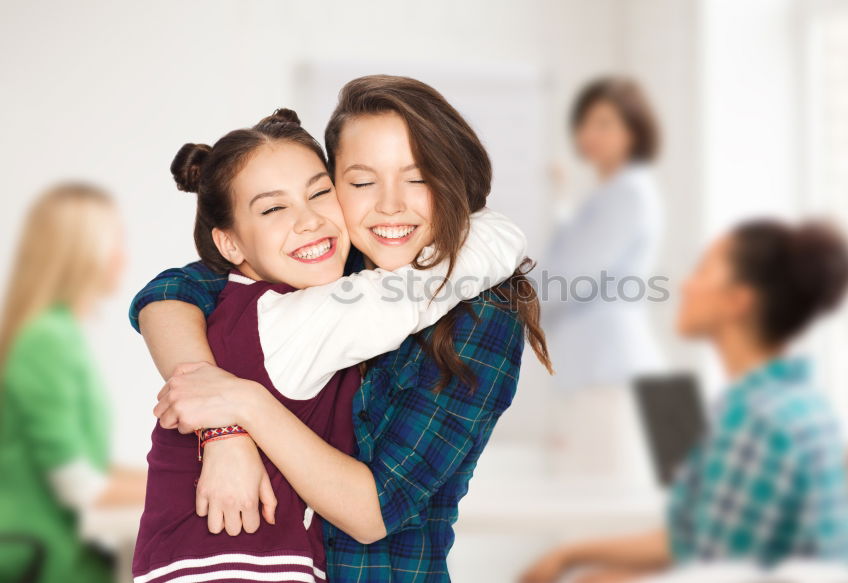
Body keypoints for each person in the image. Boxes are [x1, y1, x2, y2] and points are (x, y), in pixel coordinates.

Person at [129, 75, 552, 581]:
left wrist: (239, 406)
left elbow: (374, 511)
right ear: (335, 185)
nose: (391, 204)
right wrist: (220, 429)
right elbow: (170, 292)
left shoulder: (481, 317)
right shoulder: (319, 265)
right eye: (361, 181)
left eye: (417, 177)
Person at [521, 219, 848, 582]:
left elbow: (716, 571)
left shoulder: (756, 420)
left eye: (703, 270)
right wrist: (573, 554)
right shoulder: (789, 402)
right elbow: (697, 542)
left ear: (738, 301)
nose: (685, 284)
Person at [0, 184, 147, 583]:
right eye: (114, 242)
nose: (123, 257)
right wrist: (185, 489)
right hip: (39, 556)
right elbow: (80, 485)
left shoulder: (59, 333)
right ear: (80, 254)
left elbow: (90, 465)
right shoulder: (47, 339)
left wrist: (179, 478)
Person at [542, 76, 666, 479]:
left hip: (609, 371)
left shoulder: (627, 192)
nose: (589, 134)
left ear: (633, 131)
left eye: (605, 123)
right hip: (604, 369)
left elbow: (570, 275)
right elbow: (575, 257)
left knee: (598, 507)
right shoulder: (612, 192)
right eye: (585, 123)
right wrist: (558, 200)